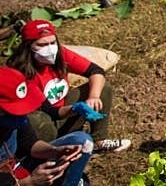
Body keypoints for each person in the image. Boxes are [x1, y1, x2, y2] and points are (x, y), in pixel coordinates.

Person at [6, 20, 130, 154]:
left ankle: (98, 141)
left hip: (64, 111)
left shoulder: (61, 54)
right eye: (42, 44)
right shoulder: (20, 73)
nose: (49, 48)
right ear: (28, 47)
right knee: (40, 121)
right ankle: (48, 152)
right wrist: (76, 108)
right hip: (46, 122)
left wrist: (93, 97)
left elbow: (95, 71)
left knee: (102, 87)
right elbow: (50, 111)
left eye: (52, 43)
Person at [0, 66, 93, 186]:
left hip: (15, 171)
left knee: (82, 141)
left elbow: (31, 145)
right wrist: (27, 182)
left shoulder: (14, 121)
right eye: (15, 112)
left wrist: (55, 151)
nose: (23, 118)